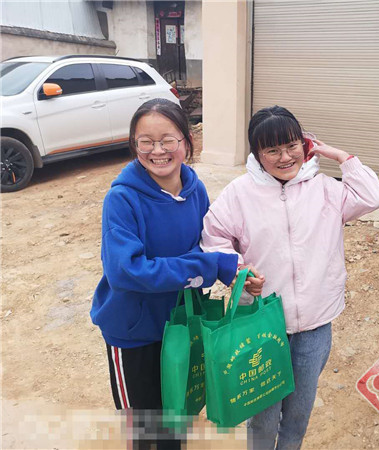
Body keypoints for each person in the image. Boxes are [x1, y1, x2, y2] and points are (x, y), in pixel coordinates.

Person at [201, 105, 379, 449]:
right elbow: (214, 237)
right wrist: (239, 271)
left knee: (299, 410)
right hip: (261, 324)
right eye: (272, 150)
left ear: (305, 144)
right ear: (257, 154)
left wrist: (341, 157)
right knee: (263, 412)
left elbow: (371, 196)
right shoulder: (240, 194)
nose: (285, 157)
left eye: (292, 145)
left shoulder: (326, 189)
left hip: (315, 323)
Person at [90, 98, 261, 449]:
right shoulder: (122, 199)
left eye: (167, 140)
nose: (158, 151)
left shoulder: (195, 189)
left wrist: (235, 268)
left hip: (182, 326)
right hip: (135, 333)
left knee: (178, 419)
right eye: (146, 142)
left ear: (187, 140)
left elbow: (210, 244)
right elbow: (127, 272)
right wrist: (209, 267)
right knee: (146, 430)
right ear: (134, 145)